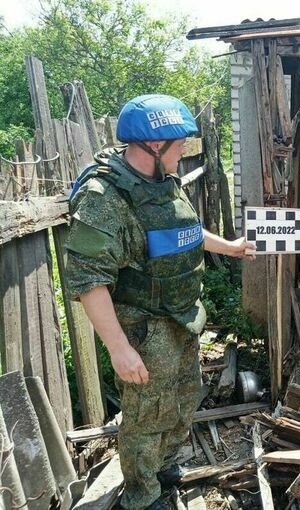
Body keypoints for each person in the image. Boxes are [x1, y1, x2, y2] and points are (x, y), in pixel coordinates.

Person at [64, 94, 254, 510]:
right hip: (144, 328)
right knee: (147, 415)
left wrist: (231, 247)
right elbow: (88, 281)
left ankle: (164, 467)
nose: (185, 147)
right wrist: (119, 350)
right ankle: (142, 496)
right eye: (179, 141)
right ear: (152, 146)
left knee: (184, 398)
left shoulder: (161, 181)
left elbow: (185, 231)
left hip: (181, 318)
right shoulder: (104, 198)